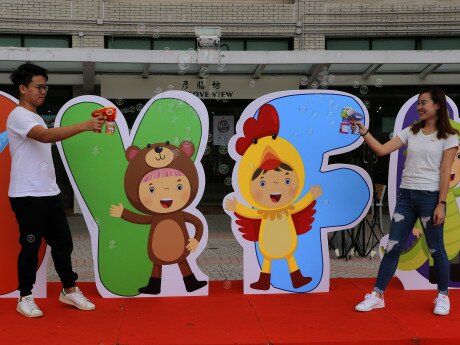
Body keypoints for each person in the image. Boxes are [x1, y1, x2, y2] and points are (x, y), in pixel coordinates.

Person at [6, 63, 105, 317]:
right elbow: (45, 136)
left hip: (48, 192)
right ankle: (25, 297)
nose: (43, 91)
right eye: (38, 87)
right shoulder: (18, 116)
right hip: (26, 194)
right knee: (30, 246)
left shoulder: (35, 115)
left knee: (63, 244)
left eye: (45, 87)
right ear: (22, 88)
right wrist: (84, 125)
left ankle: (69, 291)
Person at [353, 87, 458, 316]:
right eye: (419, 103)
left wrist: (442, 203)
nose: (419, 107)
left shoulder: (449, 136)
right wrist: (364, 132)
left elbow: (445, 171)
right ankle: (377, 295)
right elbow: (381, 150)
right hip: (405, 198)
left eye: (424, 103)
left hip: (431, 199)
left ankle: (442, 296)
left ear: (437, 105)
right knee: (393, 248)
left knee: (436, 249)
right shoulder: (411, 131)